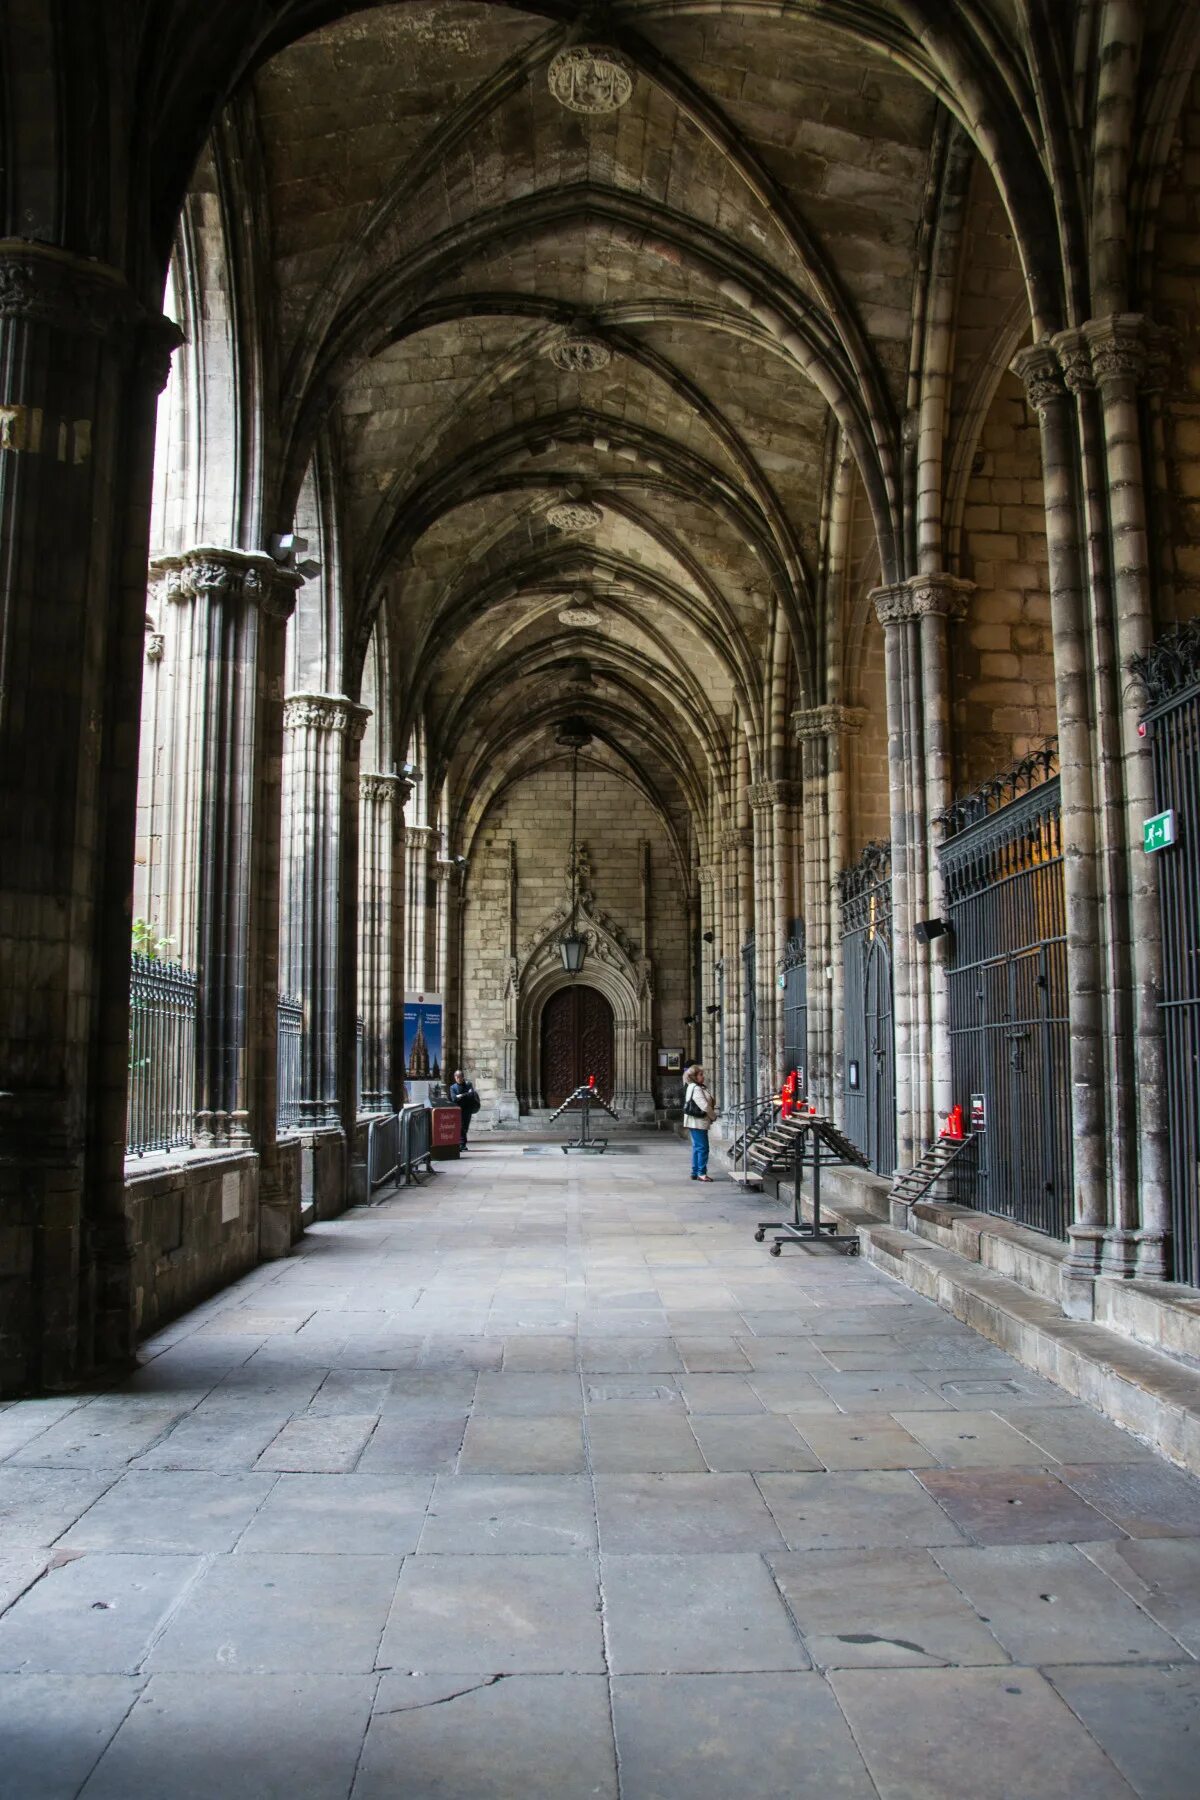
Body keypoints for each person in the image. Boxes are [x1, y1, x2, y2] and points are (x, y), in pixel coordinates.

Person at [682, 1063, 716, 1181]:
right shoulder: (696, 1088)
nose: (703, 1077)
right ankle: (701, 1173)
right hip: (698, 1121)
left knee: (697, 1147)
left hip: (694, 1121)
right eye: (701, 1075)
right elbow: (705, 1106)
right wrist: (713, 1116)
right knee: (703, 1148)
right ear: (694, 1077)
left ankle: (695, 1171)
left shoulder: (693, 1086)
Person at [449, 1068, 480, 1151]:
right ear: (455, 1078)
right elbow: (453, 1099)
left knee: (465, 1127)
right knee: (461, 1126)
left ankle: (463, 1143)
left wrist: (460, 1096)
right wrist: (465, 1095)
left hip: (467, 1109)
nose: (458, 1079)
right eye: (456, 1077)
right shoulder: (452, 1087)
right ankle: (461, 1144)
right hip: (458, 1109)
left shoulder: (468, 1084)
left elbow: (471, 1095)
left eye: (460, 1077)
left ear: (462, 1077)